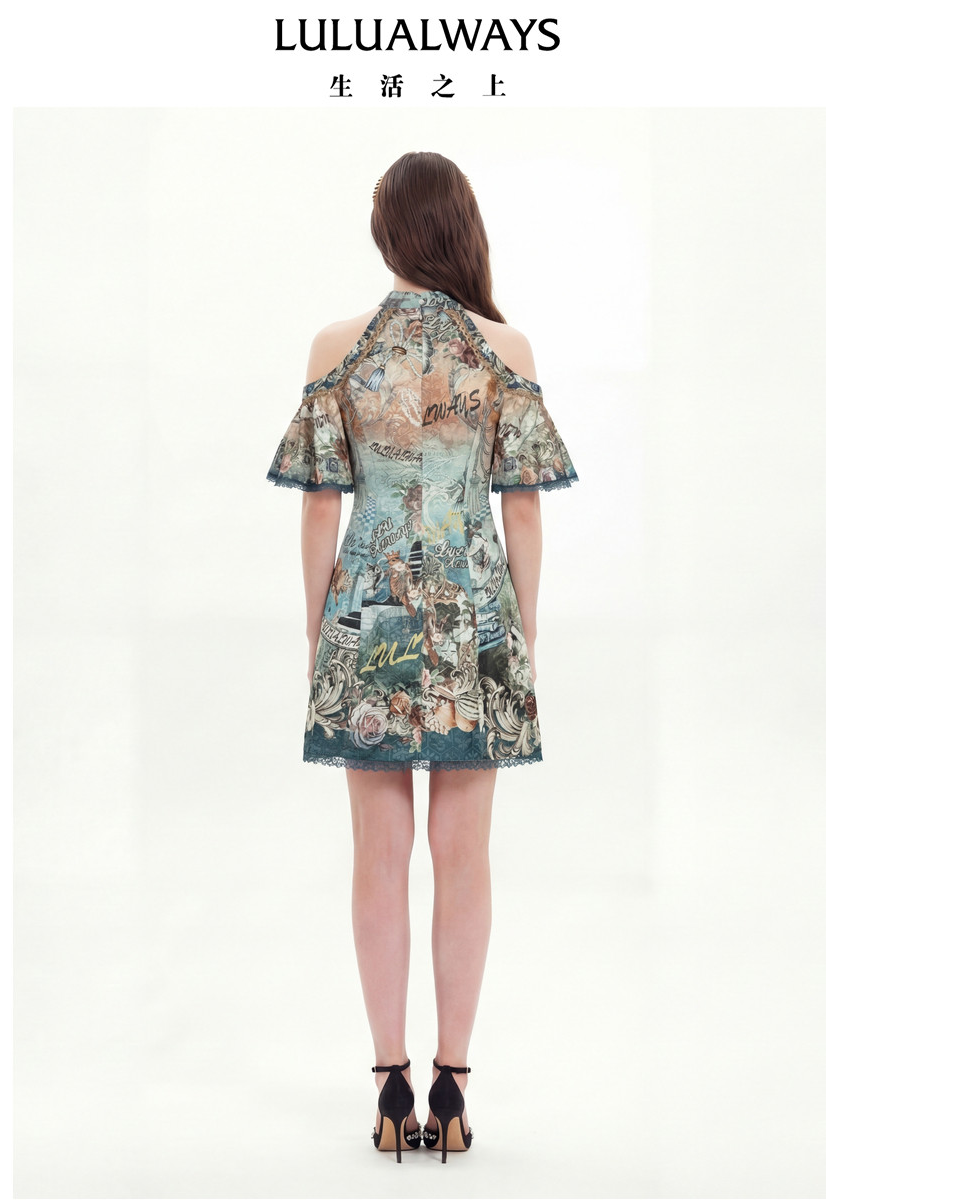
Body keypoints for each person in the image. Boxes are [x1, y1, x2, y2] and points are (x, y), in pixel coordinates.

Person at [265, 151, 580, 1162]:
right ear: (458, 226)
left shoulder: (336, 347)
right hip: (472, 620)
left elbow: (321, 509)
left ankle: (389, 1082)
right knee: (463, 854)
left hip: (371, 616)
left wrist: (317, 633)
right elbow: (522, 510)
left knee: (379, 855)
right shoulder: (504, 348)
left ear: (390, 232)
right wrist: (522, 635)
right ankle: (453, 1084)